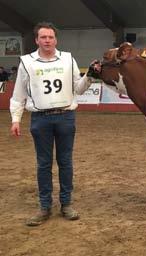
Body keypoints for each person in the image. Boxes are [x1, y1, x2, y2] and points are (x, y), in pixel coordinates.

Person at [9, 22, 100, 226]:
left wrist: (90, 75)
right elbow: (18, 94)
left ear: (55, 39)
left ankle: (66, 204)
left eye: (50, 37)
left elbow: (78, 88)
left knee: (65, 162)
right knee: (43, 164)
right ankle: (44, 207)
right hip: (40, 119)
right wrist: (16, 119)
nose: (47, 40)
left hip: (65, 117)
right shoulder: (26, 62)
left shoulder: (68, 59)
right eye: (43, 37)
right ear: (36, 40)